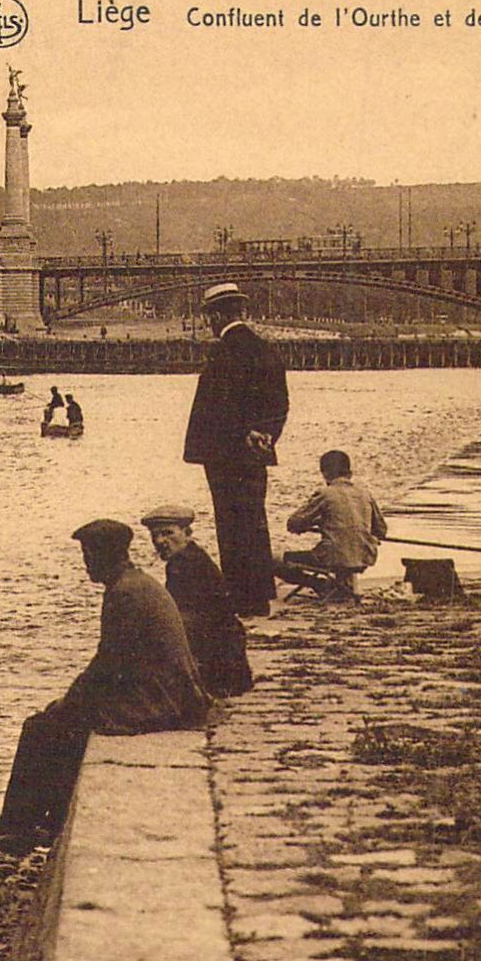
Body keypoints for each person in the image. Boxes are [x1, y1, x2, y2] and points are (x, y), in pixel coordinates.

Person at [0, 520, 211, 854]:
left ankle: (16, 827)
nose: (86, 563)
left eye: (89, 554)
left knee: (40, 727)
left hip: (162, 701)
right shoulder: (134, 584)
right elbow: (114, 665)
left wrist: (68, 702)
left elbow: (107, 665)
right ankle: (47, 822)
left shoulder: (125, 593)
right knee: (66, 721)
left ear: (104, 556)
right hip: (170, 693)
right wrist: (73, 702)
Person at [182, 283, 289, 618]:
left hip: (224, 453)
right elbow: (280, 403)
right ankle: (259, 595)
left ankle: (241, 596)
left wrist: (237, 435)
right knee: (254, 520)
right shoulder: (266, 349)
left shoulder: (223, 352)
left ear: (216, 315)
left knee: (230, 524)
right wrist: (265, 434)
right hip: (256, 453)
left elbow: (218, 409)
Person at [142, 504, 253, 699]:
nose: (160, 541)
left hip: (215, 655)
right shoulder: (191, 557)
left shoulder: (184, 564)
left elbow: (185, 618)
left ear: (187, 533)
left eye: (168, 533)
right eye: (155, 535)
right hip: (223, 652)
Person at [274, 450, 388, 593]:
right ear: (349, 472)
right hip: (365, 556)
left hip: (333, 557)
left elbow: (293, 523)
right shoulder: (365, 493)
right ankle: (342, 586)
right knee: (343, 547)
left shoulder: (325, 493)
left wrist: (315, 522)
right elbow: (381, 530)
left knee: (271, 560)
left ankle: (320, 585)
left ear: (325, 473)